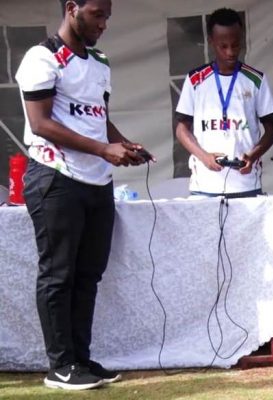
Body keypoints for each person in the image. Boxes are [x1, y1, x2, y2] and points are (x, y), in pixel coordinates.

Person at [16, 0, 153, 390]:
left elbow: (96, 117)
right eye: (97, 14)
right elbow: (40, 123)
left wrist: (124, 144)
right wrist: (103, 150)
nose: (104, 23)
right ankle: (60, 365)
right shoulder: (42, 58)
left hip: (97, 181)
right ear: (72, 8)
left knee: (88, 274)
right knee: (58, 274)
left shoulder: (100, 62)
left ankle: (80, 359)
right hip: (56, 178)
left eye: (107, 16)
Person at [175, 8, 273, 198]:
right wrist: (204, 157)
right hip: (205, 186)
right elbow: (182, 130)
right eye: (223, 46)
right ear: (211, 41)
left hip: (246, 184)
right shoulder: (195, 80)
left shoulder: (256, 80)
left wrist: (253, 155)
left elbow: (272, 131)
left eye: (235, 45)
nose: (230, 52)